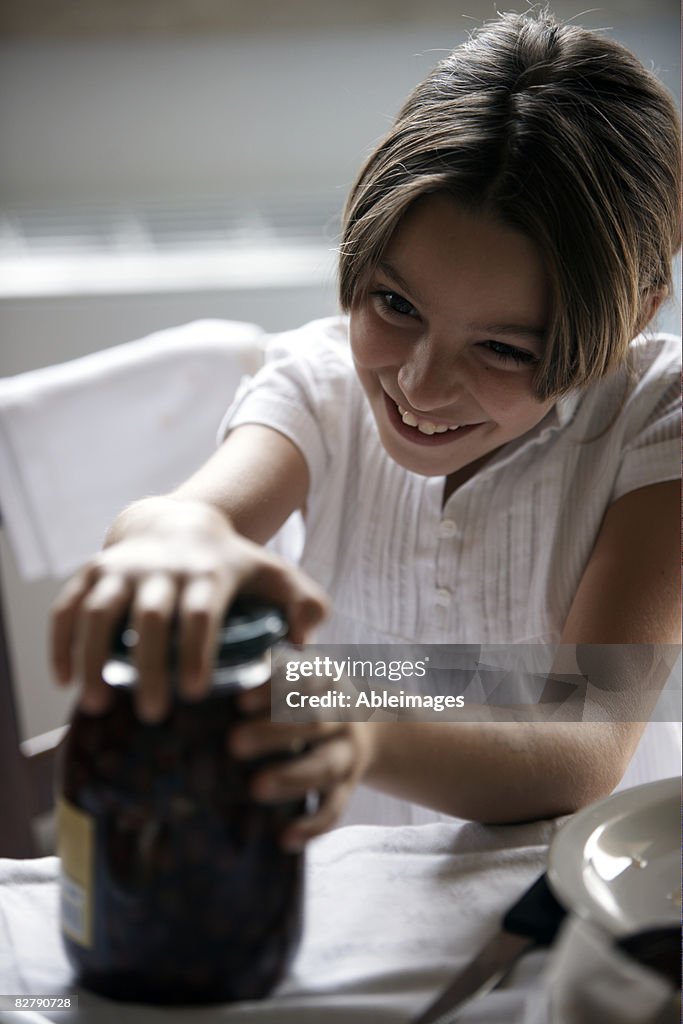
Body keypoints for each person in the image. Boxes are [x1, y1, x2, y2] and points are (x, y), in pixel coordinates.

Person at [51, 10, 681, 851]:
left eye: (500, 348)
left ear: (631, 316)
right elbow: (187, 516)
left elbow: (581, 744)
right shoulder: (319, 383)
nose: (419, 383)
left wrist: (362, 720)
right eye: (395, 304)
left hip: (583, 917)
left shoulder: (656, 420)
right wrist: (173, 536)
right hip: (347, 903)